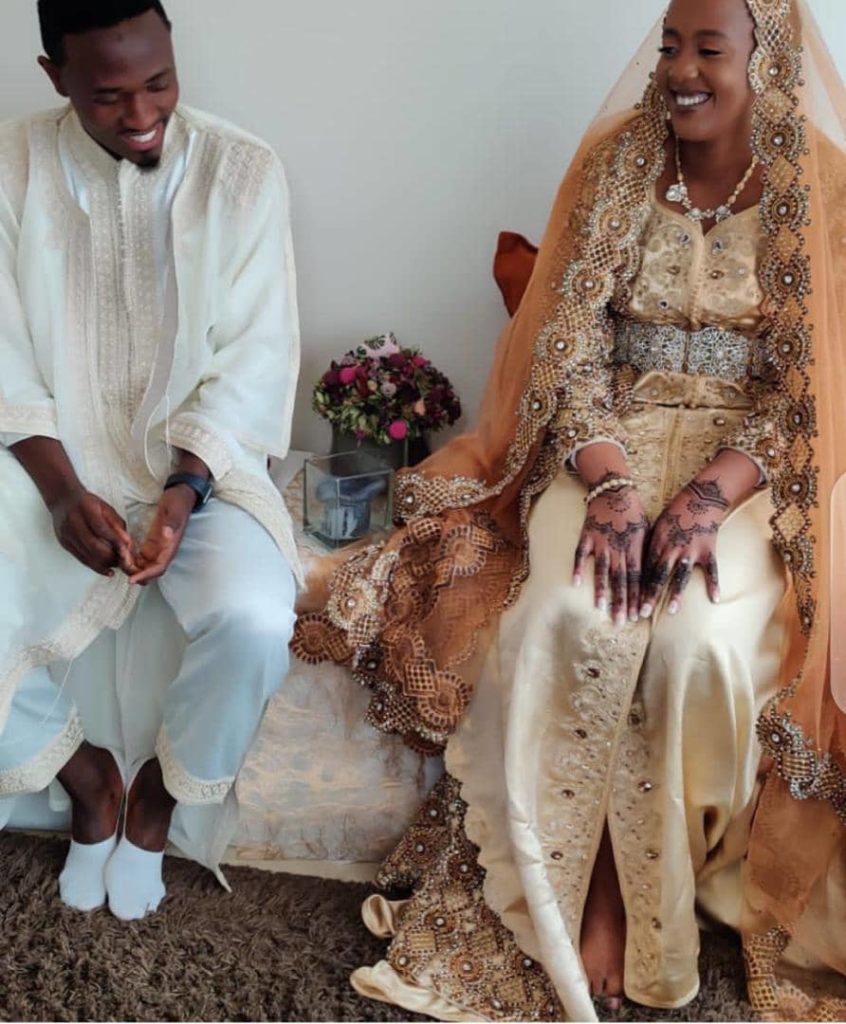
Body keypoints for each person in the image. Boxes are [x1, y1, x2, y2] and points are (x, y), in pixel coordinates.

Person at [293, 0, 846, 1017]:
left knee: (694, 643)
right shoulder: (616, 164)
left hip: (746, 472)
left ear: (765, 59)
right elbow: (568, 344)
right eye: (670, 44)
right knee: (565, 613)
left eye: (709, 49)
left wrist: (706, 498)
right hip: (604, 452)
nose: (680, 69)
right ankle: (579, 888)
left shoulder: (823, 186)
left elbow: (819, 387)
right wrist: (613, 481)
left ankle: (641, 901)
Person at [0, 0, 301, 921]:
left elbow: (255, 353)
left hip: (207, 463)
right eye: (108, 96)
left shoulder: (242, 171)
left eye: (159, 83)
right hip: (45, 456)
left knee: (255, 619)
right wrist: (62, 492)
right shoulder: (10, 166)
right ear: (54, 76)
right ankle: (87, 777)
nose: (141, 115)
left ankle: (160, 800)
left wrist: (185, 488)